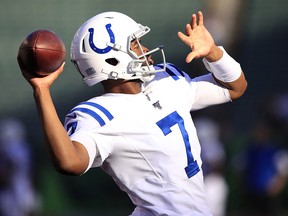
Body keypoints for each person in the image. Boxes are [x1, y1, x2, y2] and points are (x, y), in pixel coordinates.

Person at [18, 10, 247, 216]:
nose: (145, 49)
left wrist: (214, 53)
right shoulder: (99, 114)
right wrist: (42, 92)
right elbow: (69, 162)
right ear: (111, 58)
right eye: (135, 44)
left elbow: (235, 88)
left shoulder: (164, 81)